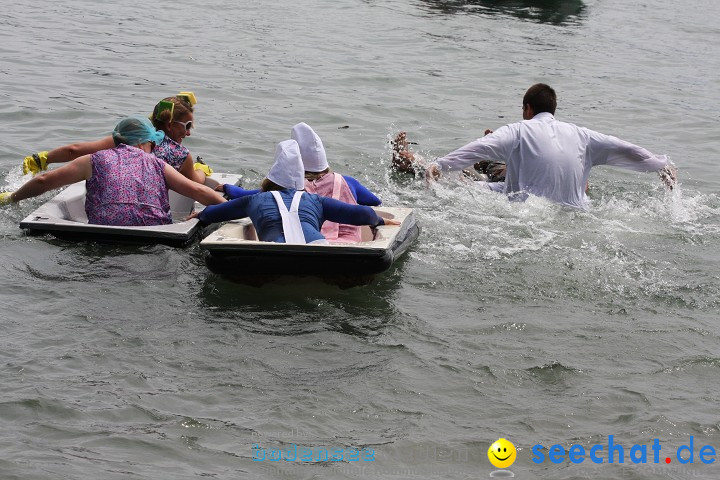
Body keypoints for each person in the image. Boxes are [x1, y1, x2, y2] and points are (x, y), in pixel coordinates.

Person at [398, 83, 676, 208]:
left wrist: (440, 165)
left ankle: (409, 160)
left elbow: (478, 146)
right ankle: (492, 166)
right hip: (577, 207)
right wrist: (660, 164)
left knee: (460, 178)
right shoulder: (583, 135)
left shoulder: (519, 130)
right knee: (489, 174)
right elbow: (626, 148)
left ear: (527, 108)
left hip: (524, 205)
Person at [1, 116, 226, 225]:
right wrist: (236, 209)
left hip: (104, 230)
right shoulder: (159, 165)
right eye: (152, 144)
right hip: (154, 231)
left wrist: (14, 197)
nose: (153, 149)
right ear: (143, 143)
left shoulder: (93, 160)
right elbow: (198, 191)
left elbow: (44, 181)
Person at [192, 139, 398, 244]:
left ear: (270, 179)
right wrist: (380, 221)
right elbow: (362, 214)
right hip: (318, 249)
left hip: (274, 252)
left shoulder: (254, 199)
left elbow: (214, 213)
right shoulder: (316, 200)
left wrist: (200, 214)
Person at [21, 92, 213, 184]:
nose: (188, 133)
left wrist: (42, 159)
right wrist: (201, 169)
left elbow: (75, 150)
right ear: (170, 125)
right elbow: (196, 183)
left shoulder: (131, 136)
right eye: (187, 126)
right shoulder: (180, 155)